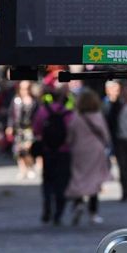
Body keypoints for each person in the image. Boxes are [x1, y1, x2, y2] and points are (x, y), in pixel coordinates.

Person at [65, 89, 111, 225]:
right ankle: (93, 212)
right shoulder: (98, 116)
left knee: (78, 178)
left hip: (79, 150)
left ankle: (78, 203)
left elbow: (70, 135)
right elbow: (105, 135)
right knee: (94, 181)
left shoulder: (76, 117)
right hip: (96, 151)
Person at [32, 85, 73, 225]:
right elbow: (72, 134)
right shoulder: (68, 113)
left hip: (47, 151)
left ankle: (47, 207)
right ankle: (58, 214)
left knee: (48, 182)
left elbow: (36, 130)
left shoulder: (43, 111)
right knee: (61, 183)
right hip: (64, 152)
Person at [7, 80, 39, 179]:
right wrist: (10, 126)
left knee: (28, 149)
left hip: (29, 129)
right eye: (22, 88)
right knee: (18, 151)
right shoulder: (16, 100)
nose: (24, 91)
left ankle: (30, 168)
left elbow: (37, 116)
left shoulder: (34, 101)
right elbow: (11, 115)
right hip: (18, 129)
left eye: (26, 88)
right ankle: (22, 170)